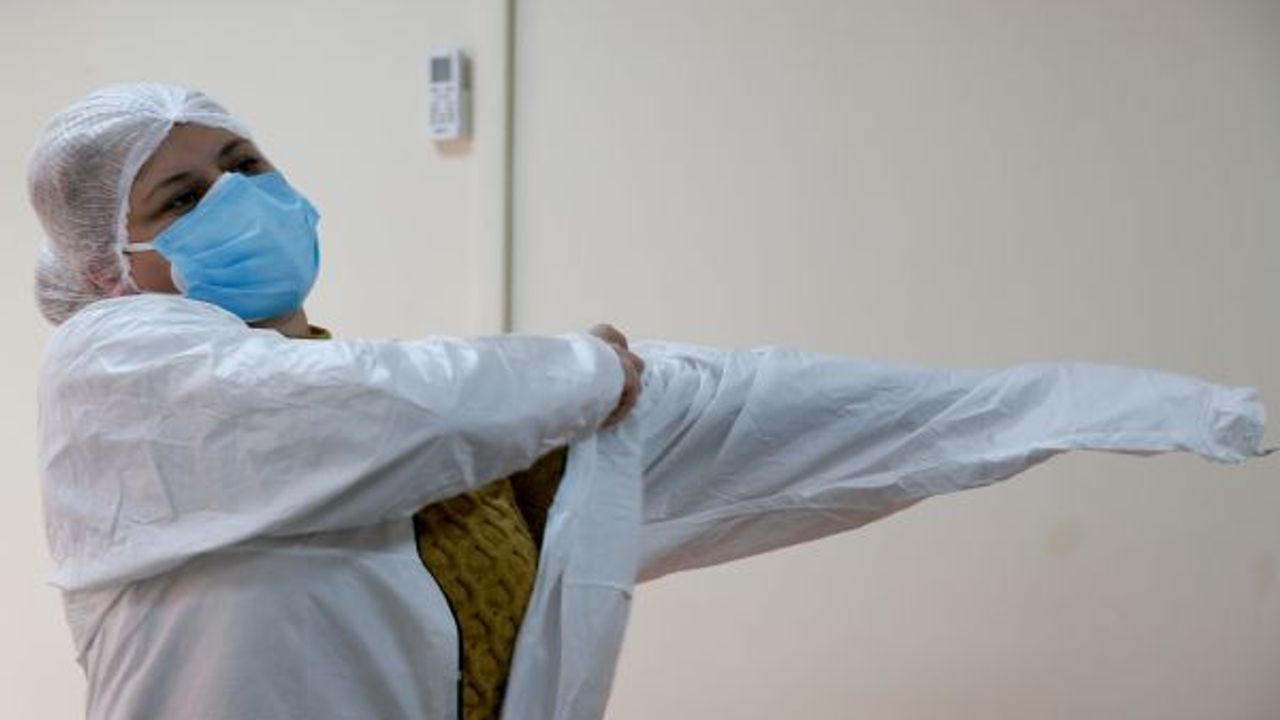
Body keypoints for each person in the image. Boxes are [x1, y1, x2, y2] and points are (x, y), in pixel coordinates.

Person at [29, 84, 1271, 720]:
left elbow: (772, 413)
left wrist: (1091, 405)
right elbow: (375, 410)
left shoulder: (435, 419)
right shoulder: (121, 378)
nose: (240, 197)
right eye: (181, 198)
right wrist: (586, 369)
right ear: (102, 265)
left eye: (244, 163)